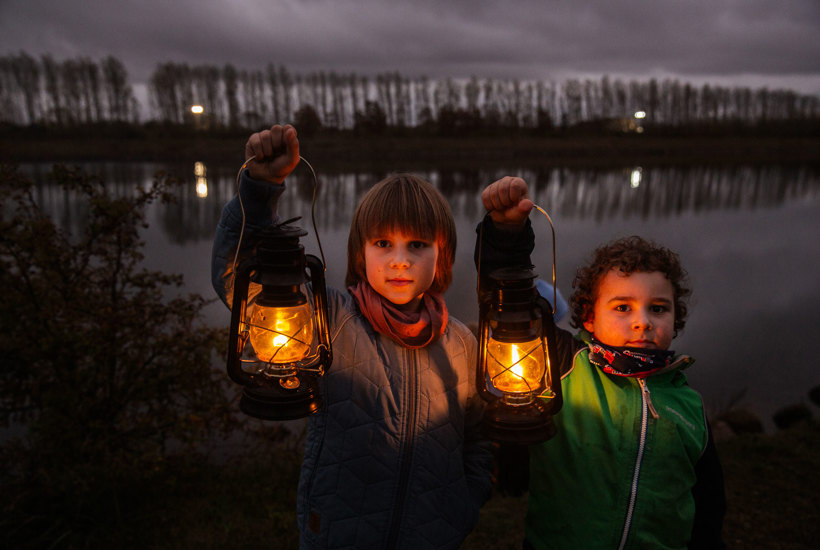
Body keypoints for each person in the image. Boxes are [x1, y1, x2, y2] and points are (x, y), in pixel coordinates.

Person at [211, 124, 492, 550]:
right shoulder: (329, 319)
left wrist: (465, 501)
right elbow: (240, 284)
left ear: (443, 256)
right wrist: (260, 189)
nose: (399, 261)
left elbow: (477, 434)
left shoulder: (462, 344)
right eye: (383, 243)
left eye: (417, 245)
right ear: (360, 253)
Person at [476, 176, 726, 550]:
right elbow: (506, 296)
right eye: (622, 307)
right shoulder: (561, 366)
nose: (642, 321)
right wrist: (506, 233)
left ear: (677, 318)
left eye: (658, 308)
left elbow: (708, 508)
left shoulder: (690, 408)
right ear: (589, 318)